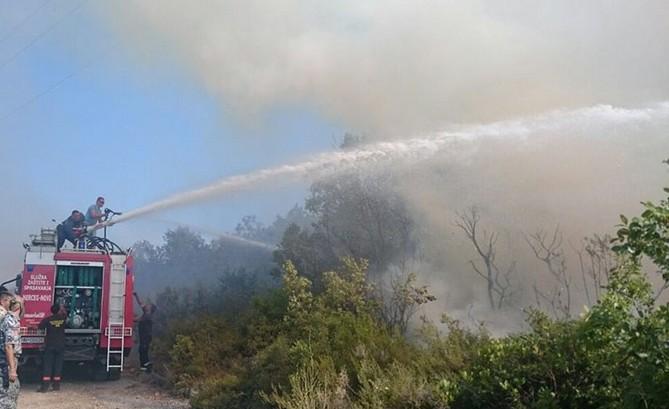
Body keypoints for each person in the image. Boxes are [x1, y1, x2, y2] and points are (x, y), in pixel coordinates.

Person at [37, 304, 66, 392]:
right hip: (60, 346)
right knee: (58, 366)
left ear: (51, 311)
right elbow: (66, 314)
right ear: (58, 310)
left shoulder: (47, 320)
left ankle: (45, 387)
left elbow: (40, 327)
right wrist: (62, 308)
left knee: (47, 366)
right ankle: (56, 386)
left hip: (50, 345)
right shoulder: (63, 319)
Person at [0, 295, 22, 409]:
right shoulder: (10, 320)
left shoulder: (3, 318)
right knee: (8, 398)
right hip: (6, 364)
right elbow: (9, 346)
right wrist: (12, 369)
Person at [133, 292, 156, 372]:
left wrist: (128, 317)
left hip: (146, 337)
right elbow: (141, 304)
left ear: (150, 309)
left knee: (143, 350)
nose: (146, 305)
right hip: (144, 336)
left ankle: (146, 366)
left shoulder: (147, 316)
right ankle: (144, 366)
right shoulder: (146, 313)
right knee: (142, 350)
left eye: (148, 305)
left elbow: (137, 320)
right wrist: (136, 296)